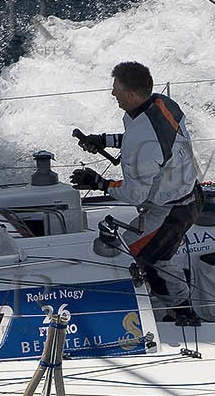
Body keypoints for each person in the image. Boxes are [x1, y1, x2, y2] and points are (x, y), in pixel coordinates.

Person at [71, 61, 206, 323]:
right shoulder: (163, 105)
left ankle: (183, 312)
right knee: (158, 253)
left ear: (131, 95)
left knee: (141, 256)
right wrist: (103, 140)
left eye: (116, 90)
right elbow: (143, 137)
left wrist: (98, 183)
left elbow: (135, 195)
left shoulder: (142, 140)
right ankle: (172, 284)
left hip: (171, 213)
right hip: (191, 195)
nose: (113, 94)